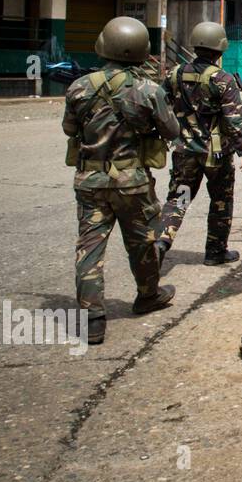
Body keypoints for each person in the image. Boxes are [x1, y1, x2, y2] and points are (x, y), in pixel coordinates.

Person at [62, 17, 179, 344]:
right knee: (141, 242)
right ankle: (148, 295)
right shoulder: (148, 89)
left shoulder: (79, 87)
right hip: (132, 182)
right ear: (141, 50)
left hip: (90, 181)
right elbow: (171, 130)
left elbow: (70, 129)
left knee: (89, 248)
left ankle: (93, 319)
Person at [158, 21, 242, 266]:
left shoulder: (175, 73)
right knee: (221, 200)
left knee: (179, 198)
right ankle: (215, 251)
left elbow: (161, 106)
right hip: (217, 156)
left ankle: (161, 241)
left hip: (185, 152)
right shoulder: (223, 79)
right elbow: (235, 119)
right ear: (220, 50)